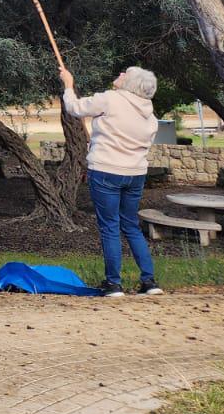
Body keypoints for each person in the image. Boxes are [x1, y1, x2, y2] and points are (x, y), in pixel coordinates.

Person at [61, 64, 163, 297]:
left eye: (124, 74)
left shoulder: (110, 99)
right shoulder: (150, 115)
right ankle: (149, 281)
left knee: (109, 227)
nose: (120, 75)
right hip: (136, 174)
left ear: (130, 83)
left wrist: (68, 84)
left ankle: (113, 284)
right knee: (131, 226)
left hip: (106, 170)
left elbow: (74, 108)